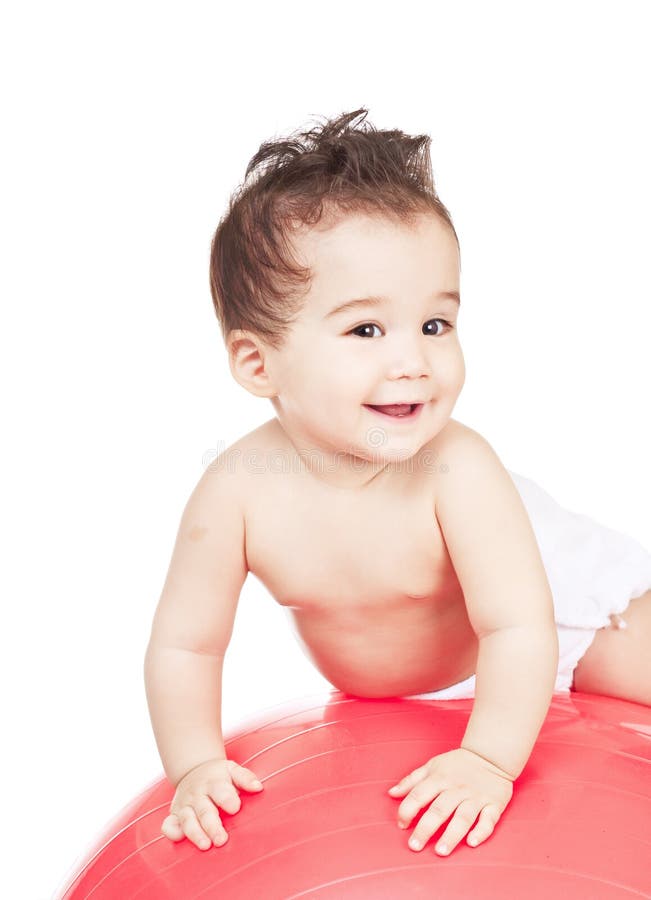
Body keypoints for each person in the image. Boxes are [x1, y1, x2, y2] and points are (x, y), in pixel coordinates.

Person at [144, 108, 651, 859]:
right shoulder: (238, 493)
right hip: (412, 694)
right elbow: (185, 646)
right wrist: (193, 764)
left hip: (560, 620)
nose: (413, 361)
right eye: (365, 331)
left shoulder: (458, 469)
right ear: (258, 365)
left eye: (435, 325)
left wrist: (488, 760)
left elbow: (518, 628)